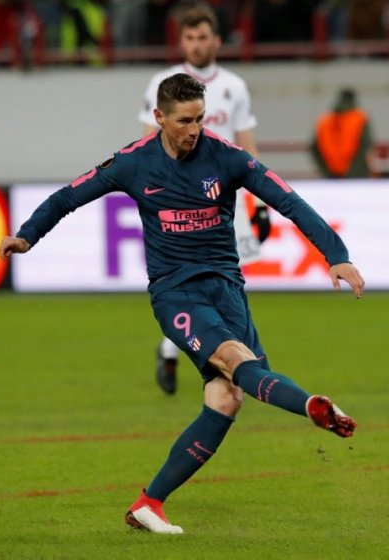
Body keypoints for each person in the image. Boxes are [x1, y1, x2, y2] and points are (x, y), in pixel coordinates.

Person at [0, 73, 364, 534]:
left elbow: (289, 202)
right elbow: (68, 196)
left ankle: (148, 503)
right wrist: (27, 235)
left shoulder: (228, 158)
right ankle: (311, 405)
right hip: (175, 292)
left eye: (200, 119)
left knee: (227, 398)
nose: (194, 130)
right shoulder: (133, 162)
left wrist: (336, 255)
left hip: (227, 290)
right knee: (235, 362)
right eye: (184, 121)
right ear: (159, 117)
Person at [139, 4, 271, 395]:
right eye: (190, 38)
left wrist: (261, 204)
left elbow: (246, 146)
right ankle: (213, 355)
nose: (196, 45)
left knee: (227, 279)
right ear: (182, 41)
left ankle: (198, 352)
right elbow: (148, 143)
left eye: (203, 37)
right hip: (180, 200)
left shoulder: (234, 86)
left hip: (225, 201)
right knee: (190, 280)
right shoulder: (162, 83)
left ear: (216, 40)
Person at [311, 87, 377, 179]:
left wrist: (325, 170)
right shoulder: (360, 118)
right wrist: (355, 170)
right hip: (356, 175)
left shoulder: (324, 120)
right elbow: (366, 144)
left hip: (332, 175)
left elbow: (314, 147)